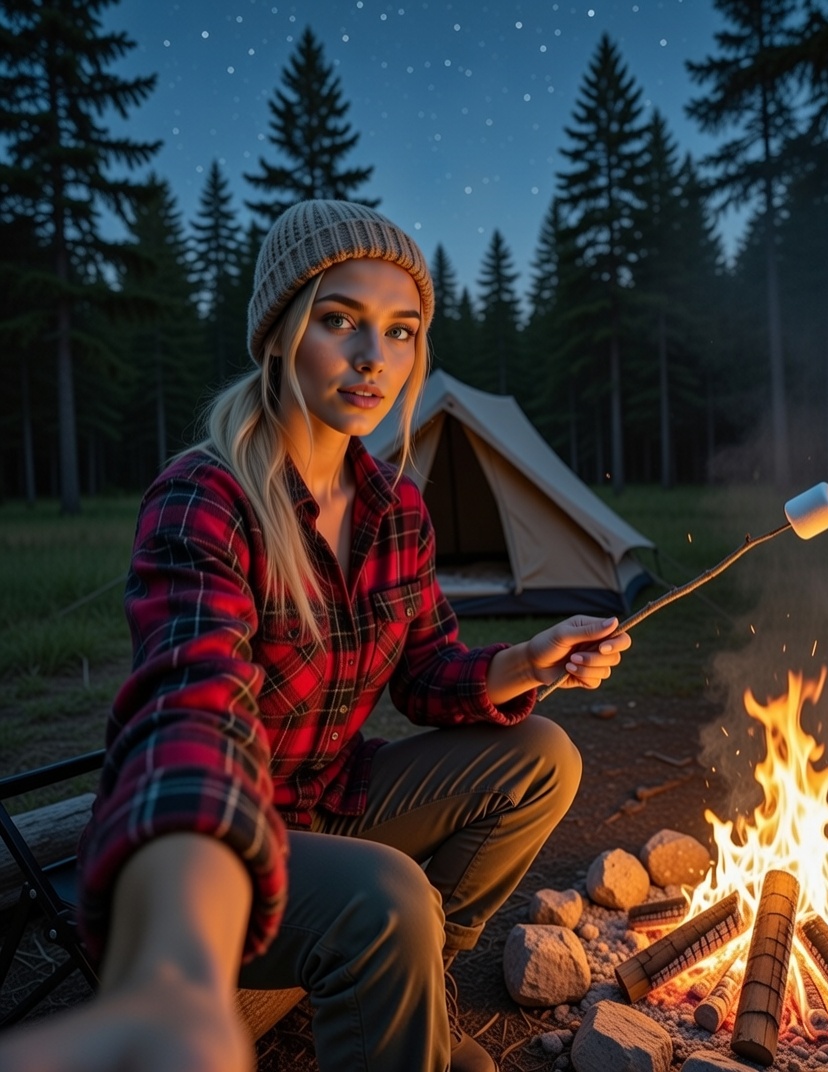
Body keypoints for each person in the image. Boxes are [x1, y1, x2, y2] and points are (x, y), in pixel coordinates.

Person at [0, 200, 630, 1072]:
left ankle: (402, 995)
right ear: (281, 333)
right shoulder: (207, 497)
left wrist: (528, 659)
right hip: (222, 847)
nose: (376, 358)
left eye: (402, 330)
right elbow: (192, 713)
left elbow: (427, 671)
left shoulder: (394, 507)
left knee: (543, 754)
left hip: (331, 799)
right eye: (342, 321)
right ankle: (335, 975)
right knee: (388, 896)